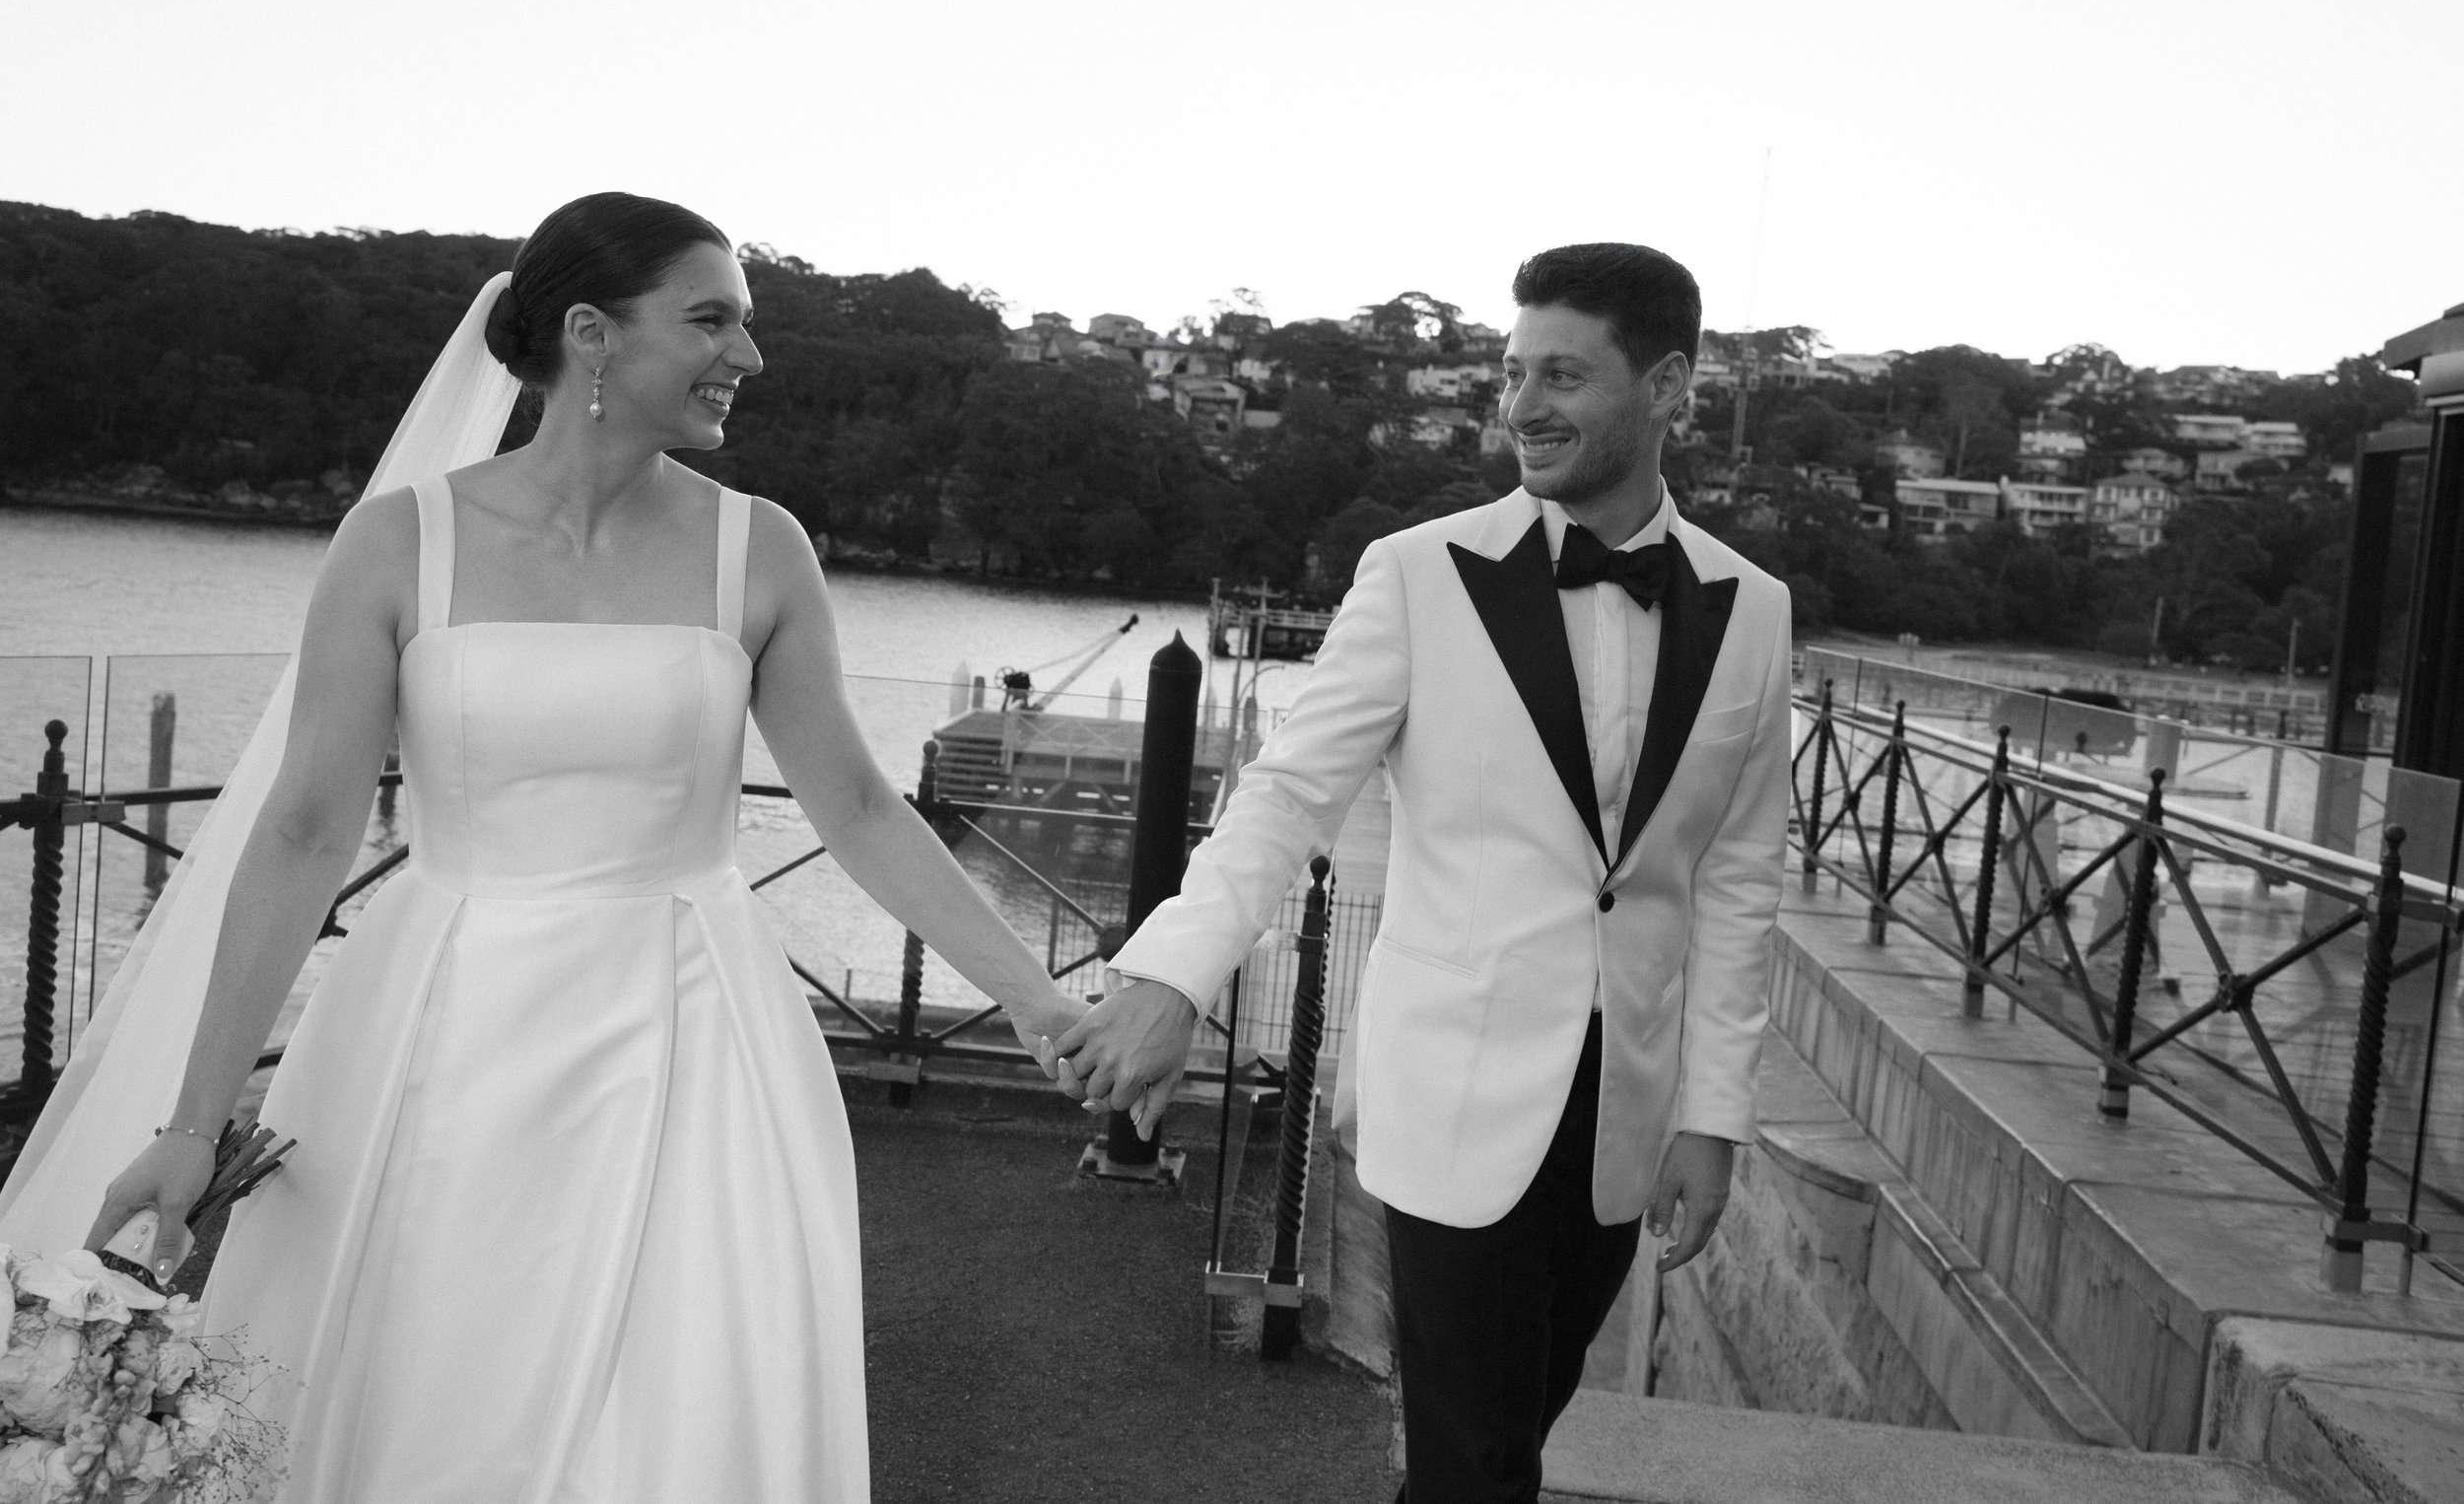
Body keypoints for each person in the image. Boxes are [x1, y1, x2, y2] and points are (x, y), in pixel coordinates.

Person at [51, 193, 1087, 1500]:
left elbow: (866, 812)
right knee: (430, 1400)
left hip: (697, 1038)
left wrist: (1041, 999)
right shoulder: (398, 542)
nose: (748, 357)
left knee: (674, 1424)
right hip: (440, 1036)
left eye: (746, 324)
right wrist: (193, 1125)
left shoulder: (760, 547)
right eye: (711, 319)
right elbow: (308, 828)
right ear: (591, 333)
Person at [1056, 243, 1793, 1503]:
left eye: (1562, 373)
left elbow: (1734, 878)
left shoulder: (1754, 605)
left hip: (1620, 1114)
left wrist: (1712, 1116)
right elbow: (1286, 793)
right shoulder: (1417, 572)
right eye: (1512, 373)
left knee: (1507, 1436)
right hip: (1453, 1087)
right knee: (1473, 1457)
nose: (1520, 406)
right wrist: (1174, 974)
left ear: (1669, 384)